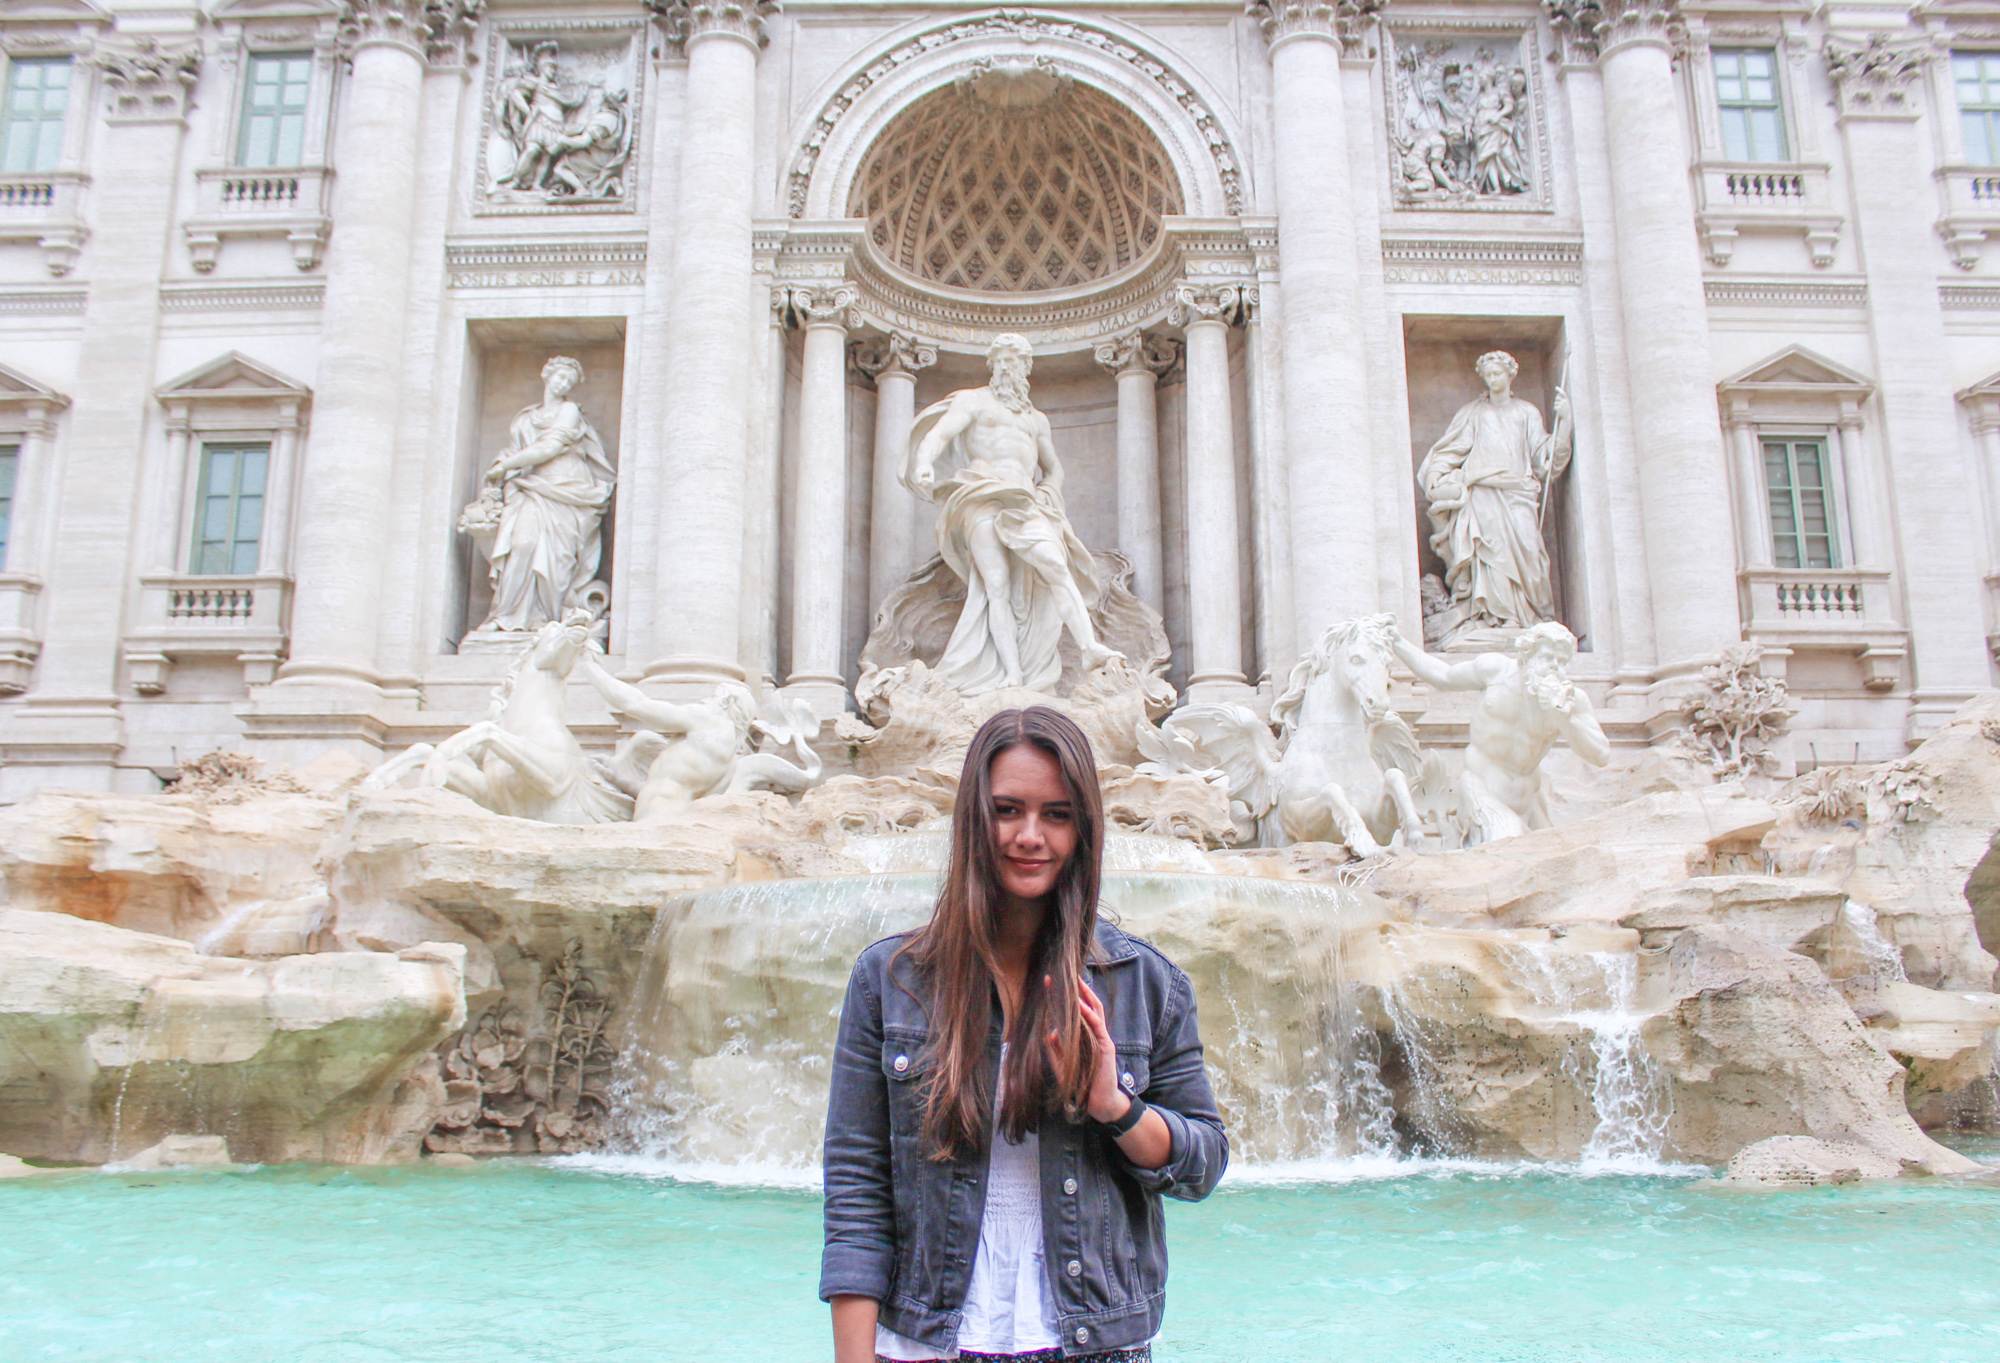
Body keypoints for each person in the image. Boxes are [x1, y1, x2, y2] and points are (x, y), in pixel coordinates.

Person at [821, 707, 1227, 1363]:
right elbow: (857, 1192)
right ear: (973, 819)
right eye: (1007, 809)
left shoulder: (1147, 982)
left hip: (1093, 1346)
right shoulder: (889, 980)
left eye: (1057, 814)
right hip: (927, 1343)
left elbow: (1201, 1164)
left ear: (1084, 828)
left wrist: (1114, 1108)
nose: (1029, 835)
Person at [903, 335, 1123, 694]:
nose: (1008, 367)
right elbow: (939, 435)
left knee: (1055, 565)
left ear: (1026, 368)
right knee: (997, 585)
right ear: (992, 366)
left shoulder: (1036, 421)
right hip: (981, 495)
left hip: (1025, 501)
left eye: (1016, 361)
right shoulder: (973, 402)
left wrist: (1049, 493)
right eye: (1002, 360)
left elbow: (1054, 468)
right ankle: (1012, 675)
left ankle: (1088, 647)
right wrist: (924, 462)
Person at [1389, 620, 1608, 846]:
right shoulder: (1495, 671)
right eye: (1547, 657)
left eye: (1562, 662)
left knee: (1555, 858)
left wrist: (1565, 717)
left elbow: (1600, 755)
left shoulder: (1572, 700)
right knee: (1509, 842)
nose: (1555, 667)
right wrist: (1398, 642)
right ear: (1526, 655)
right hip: (1481, 790)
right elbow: (1443, 676)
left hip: (1530, 801)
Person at [1416, 349, 1572, 636]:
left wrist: (1565, 424)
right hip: (1482, 494)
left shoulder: (1526, 412)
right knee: (1490, 556)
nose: (1492, 379)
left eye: (1497, 373)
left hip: (1518, 493)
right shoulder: (1473, 413)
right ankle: (1494, 617)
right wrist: (1437, 475)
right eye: (1487, 375)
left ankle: (1530, 616)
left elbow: (1545, 459)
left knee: (1529, 552)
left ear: (1510, 374)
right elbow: (1450, 450)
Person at [475, 355, 616, 634]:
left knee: (557, 558)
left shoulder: (569, 412)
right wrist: (502, 465)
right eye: (560, 377)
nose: (563, 384)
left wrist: (506, 466)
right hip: (531, 488)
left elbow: (549, 448)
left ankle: (545, 618)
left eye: (569, 381)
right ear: (546, 374)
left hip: (568, 489)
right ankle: (507, 616)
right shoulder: (526, 418)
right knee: (523, 544)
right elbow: (518, 451)